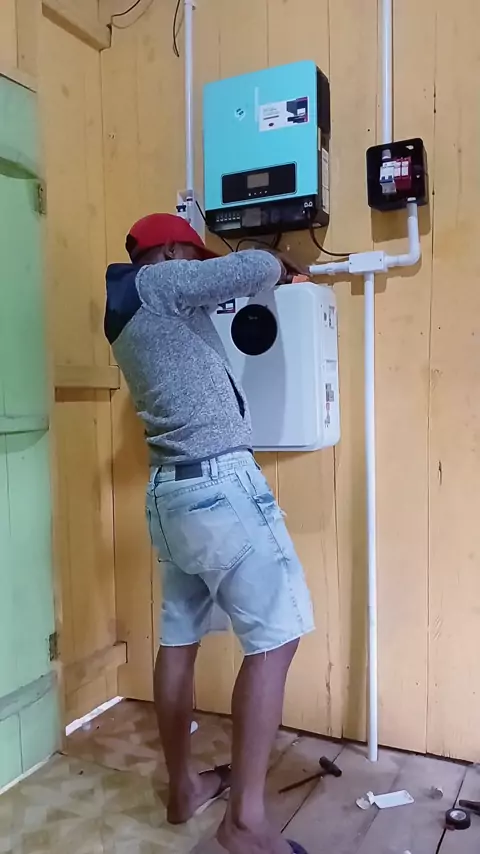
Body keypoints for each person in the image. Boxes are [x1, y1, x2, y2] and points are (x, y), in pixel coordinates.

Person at [104, 213, 314, 854]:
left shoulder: (128, 309)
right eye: (194, 257)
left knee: (179, 638)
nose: (198, 269)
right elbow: (252, 266)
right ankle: (245, 823)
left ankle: (184, 789)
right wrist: (277, 264)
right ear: (170, 252)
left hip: (171, 493)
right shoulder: (159, 284)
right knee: (277, 637)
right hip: (220, 486)